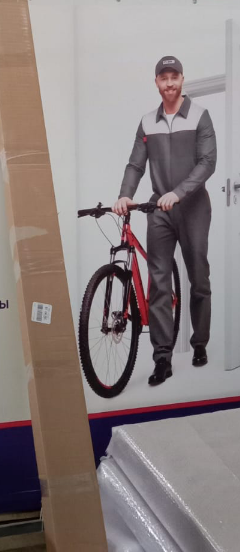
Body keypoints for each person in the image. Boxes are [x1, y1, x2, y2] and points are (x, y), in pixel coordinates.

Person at [113, 56, 217, 386]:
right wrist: (125, 194)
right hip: (159, 210)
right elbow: (135, 164)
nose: (169, 83)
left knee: (198, 277)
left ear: (182, 79)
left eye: (174, 76)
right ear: (156, 82)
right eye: (163, 78)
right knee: (159, 283)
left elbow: (207, 162)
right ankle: (162, 358)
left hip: (194, 207)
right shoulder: (147, 122)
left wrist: (179, 192)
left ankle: (199, 342)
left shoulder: (199, 115)